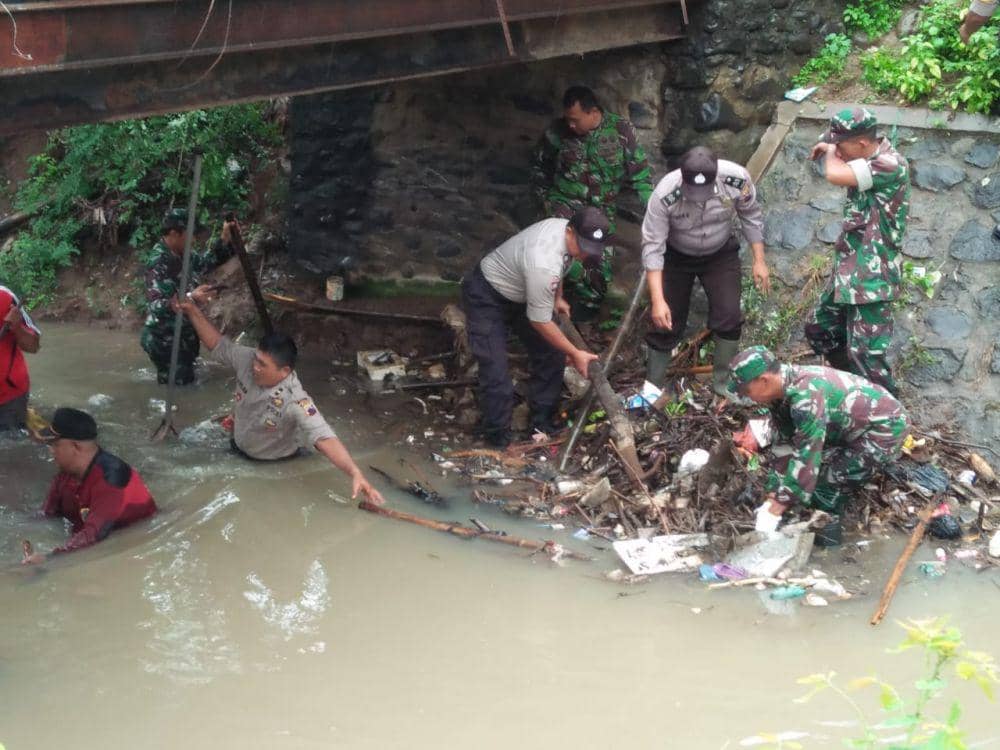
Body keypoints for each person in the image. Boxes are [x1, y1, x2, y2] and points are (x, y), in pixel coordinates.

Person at [172, 296, 385, 504]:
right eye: (256, 359)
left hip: (271, 464)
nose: (255, 367)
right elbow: (219, 346)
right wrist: (192, 311)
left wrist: (355, 472)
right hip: (237, 445)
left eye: (262, 365)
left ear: (284, 371)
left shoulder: (297, 401)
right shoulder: (247, 359)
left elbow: (323, 436)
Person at [461, 207, 607, 448]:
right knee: (495, 371)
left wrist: (557, 297)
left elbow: (562, 267)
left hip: (523, 292)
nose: (584, 254)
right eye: (582, 246)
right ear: (569, 231)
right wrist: (575, 352)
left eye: (590, 249)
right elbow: (539, 320)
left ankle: (541, 421)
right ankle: (498, 439)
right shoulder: (544, 260)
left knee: (552, 354)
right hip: (487, 295)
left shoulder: (564, 234)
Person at [727, 346, 909, 534]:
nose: (746, 397)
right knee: (803, 483)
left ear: (764, 380)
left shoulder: (805, 397)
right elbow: (785, 443)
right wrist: (774, 492)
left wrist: (778, 507)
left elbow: (807, 452)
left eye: (746, 390)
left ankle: (829, 536)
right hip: (850, 426)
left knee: (825, 485)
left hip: (886, 428)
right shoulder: (780, 393)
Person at [640, 146, 769, 396]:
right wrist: (658, 300)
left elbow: (751, 215)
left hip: (719, 253)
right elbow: (652, 246)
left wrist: (759, 260)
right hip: (676, 256)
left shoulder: (736, 179)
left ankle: (723, 384)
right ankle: (653, 388)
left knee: (729, 315)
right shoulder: (665, 193)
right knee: (664, 321)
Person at [807, 107, 909, 396]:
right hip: (850, 269)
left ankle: (888, 413)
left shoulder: (889, 164)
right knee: (819, 328)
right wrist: (833, 144)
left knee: (866, 355)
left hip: (873, 276)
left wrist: (829, 152)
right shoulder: (862, 154)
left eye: (842, 146)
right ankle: (849, 391)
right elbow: (837, 151)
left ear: (862, 143)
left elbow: (834, 174)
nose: (838, 151)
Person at [531, 85, 654, 320]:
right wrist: (545, 202)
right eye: (568, 119)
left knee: (597, 273)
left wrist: (655, 210)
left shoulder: (620, 131)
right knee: (555, 257)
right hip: (563, 204)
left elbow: (641, 176)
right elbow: (540, 166)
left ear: (593, 112)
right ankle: (543, 314)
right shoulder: (558, 132)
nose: (571, 125)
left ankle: (580, 321)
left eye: (575, 119)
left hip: (599, 213)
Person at [22, 408, 157, 564]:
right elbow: (47, 513)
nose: (51, 450)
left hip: (127, 550)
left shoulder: (112, 481)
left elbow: (92, 537)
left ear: (76, 447)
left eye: (55, 444)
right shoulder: (66, 473)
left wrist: (48, 559)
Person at [141, 208, 236, 385]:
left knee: (188, 383)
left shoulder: (183, 253)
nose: (193, 240)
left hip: (182, 337)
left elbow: (206, 263)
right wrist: (192, 297)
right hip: (165, 342)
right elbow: (157, 305)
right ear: (174, 233)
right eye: (190, 235)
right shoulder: (158, 262)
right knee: (178, 394)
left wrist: (224, 239)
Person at [0, 284, 41, 432]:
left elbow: (33, 346)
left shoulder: (4, 298)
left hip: (8, 397)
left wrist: (16, 326)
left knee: (11, 448)